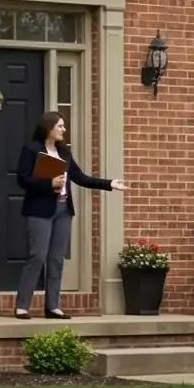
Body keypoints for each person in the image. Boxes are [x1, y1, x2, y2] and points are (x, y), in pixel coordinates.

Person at [13, 111, 118, 320]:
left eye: (63, 126)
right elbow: (22, 179)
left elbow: (80, 177)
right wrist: (48, 183)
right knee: (38, 255)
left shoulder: (64, 152)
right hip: (39, 210)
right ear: (48, 127)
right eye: (60, 126)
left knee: (56, 259)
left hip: (63, 210)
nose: (64, 130)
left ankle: (53, 306)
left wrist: (109, 184)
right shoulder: (32, 149)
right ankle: (22, 306)